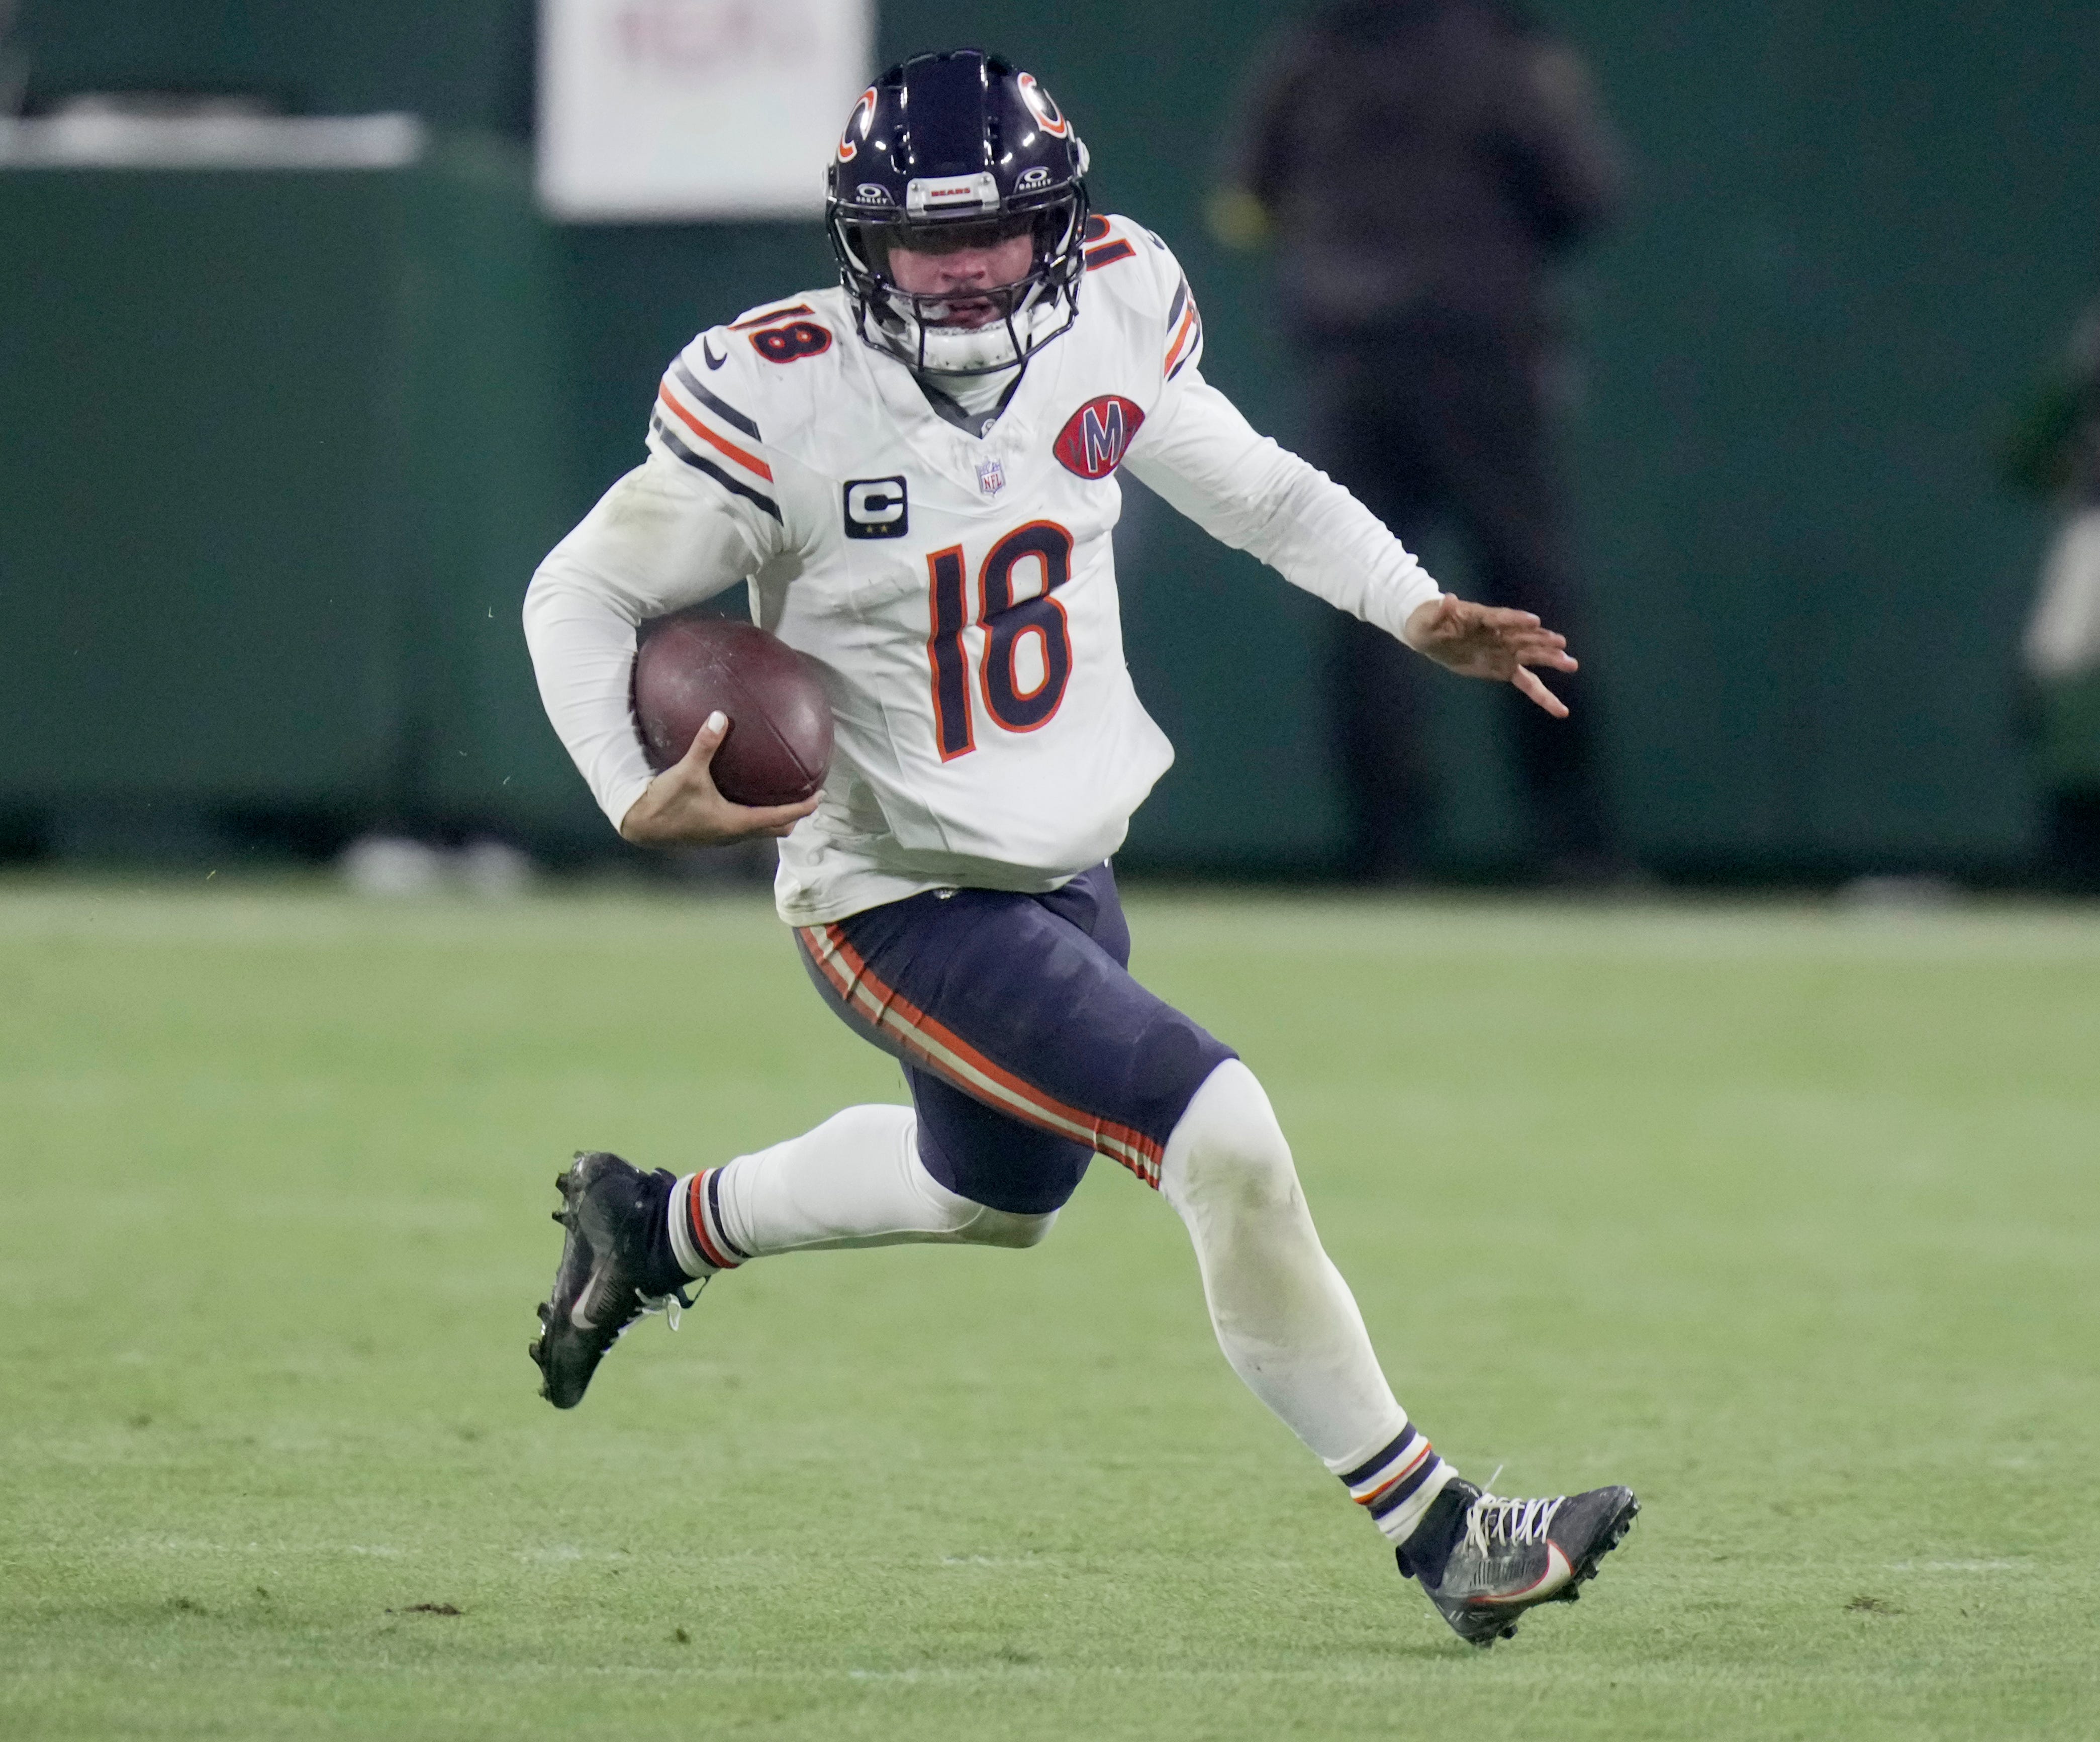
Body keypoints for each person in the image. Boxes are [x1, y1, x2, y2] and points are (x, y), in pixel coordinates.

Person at [521, 49, 1636, 1648]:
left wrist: (1410, 604)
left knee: (993, 1193)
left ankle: (655, 1224)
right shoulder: (779, 395)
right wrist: (628, 784)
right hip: (895, 894)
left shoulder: (1115, 303)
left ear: (1058, 224)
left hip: (1060, 865)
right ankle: (1444, 1529)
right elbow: (580, 590)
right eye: (927, 238)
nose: (966, 267)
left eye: (996, 229)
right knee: (1221, 1133)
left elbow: (1254, 488)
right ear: (863, 242)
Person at [1215, 0, 1624, 881]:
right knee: (1525, 588)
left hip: (1351, 357)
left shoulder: (1310, 54)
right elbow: (1584, 192)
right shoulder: (1504, 53)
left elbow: (1245, 204)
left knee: (1362, 589)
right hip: (1480, 357)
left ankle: (1386, 852)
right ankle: (1574, 847)